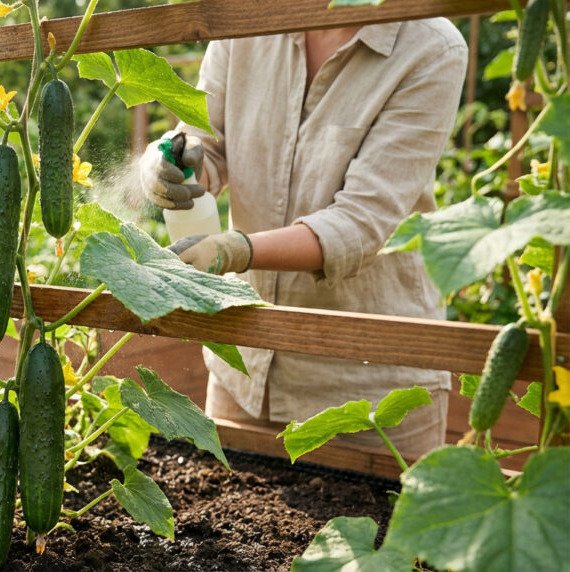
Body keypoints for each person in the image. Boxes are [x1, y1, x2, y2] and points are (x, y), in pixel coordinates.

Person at [137, 20, 468, 458]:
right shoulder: (249, 19)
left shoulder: (432, 46)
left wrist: (236, 250)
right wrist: (173, 164)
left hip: (371, 393)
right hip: (244, 371)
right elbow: (205, 142)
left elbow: (359, 222)